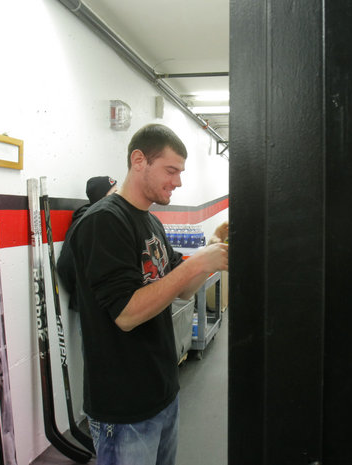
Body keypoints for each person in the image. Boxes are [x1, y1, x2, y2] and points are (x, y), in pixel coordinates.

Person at [68, 123, 229, 464]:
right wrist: (195, 262)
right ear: (138, 160)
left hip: (162, 394)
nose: (178, 181)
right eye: (171, 170)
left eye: (180, 172)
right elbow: (126, 314)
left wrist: (208, 258)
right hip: (124, 411)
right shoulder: (105, 222)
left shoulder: (150, 222)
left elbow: (181, 291)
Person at [57, 175, 118, 311]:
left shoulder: (107, 220)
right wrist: (81, 292)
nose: (118, 197)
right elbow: (65, 265)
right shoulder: (86, 222)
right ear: (101, 198)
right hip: (92, 309)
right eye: (113, 193)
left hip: (108, 305)